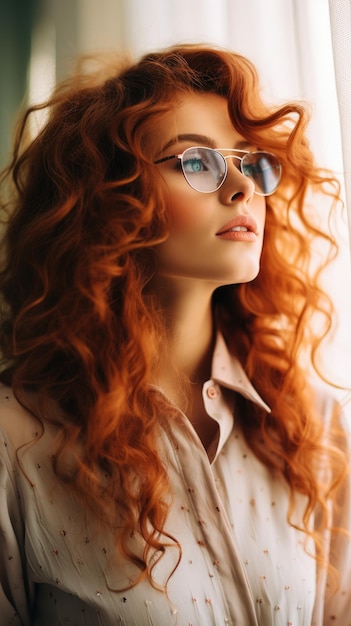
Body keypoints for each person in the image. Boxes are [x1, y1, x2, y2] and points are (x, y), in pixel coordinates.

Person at [0, 43, 350, 626]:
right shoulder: (16, 441)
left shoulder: (315, 427)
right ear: (106, 198)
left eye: (251, 161)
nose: (242, 188)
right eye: (197, 162)